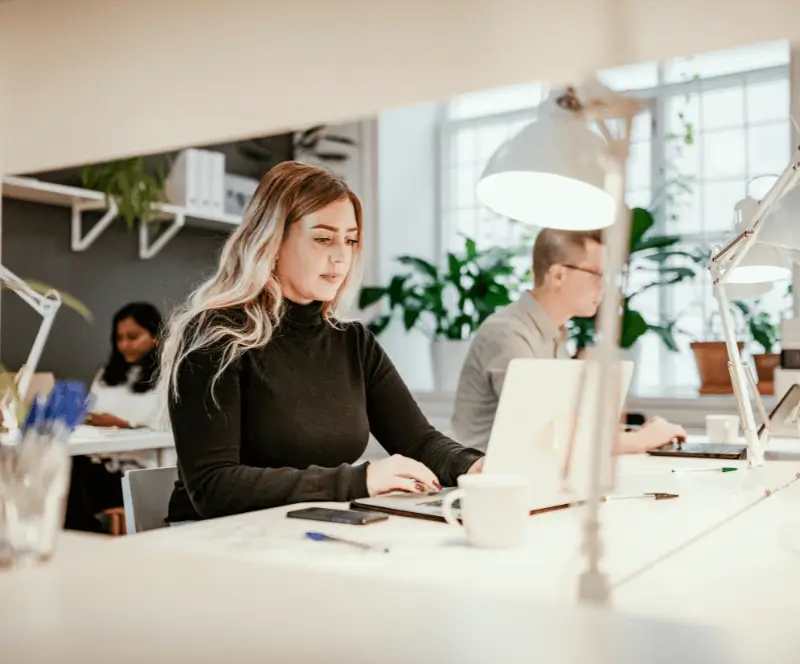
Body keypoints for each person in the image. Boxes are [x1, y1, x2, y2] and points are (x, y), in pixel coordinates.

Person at [159, 161, 484, 523]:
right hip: (213, 543)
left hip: (304, 532)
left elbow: (420, 443)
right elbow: (213, 487)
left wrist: (477, 467)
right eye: (323, 238)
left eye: (350, 240)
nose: (341, 256)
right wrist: (360, 480)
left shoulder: (353, 343)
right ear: (273, 242)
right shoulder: (217, 336)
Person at [451, 228, 686, 453]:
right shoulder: (507, 333)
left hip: (532, 477)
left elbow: (568, 426)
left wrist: (629, 433)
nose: (604, 287)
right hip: (485, 485)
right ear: (558, 276)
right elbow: (550, 435)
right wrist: (641, 440)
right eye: (597, 274)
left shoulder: (554, 335)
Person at [65, 301, 165, 533]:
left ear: (155, 335)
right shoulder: (106, 374)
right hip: (101, 461)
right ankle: (83, 534)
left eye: (133, 336)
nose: (124, 345)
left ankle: (85, 535)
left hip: (139, 469)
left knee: (72, 478)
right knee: (62, 465)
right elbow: (90, 409)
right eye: (119, 338)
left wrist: (120, 423)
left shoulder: (167, 376)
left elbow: (168, 427)